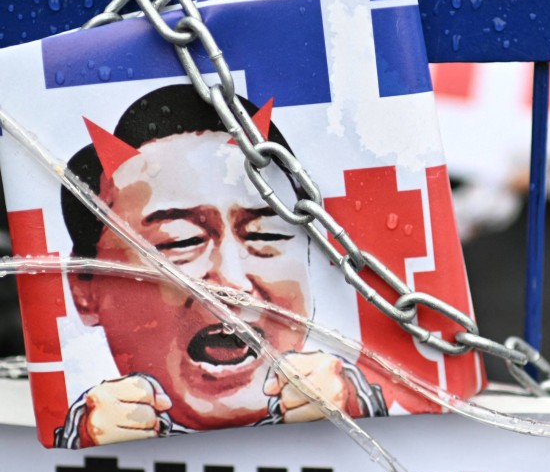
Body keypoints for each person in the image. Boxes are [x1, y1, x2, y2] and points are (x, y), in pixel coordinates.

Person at [54, 84, 386, 448]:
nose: (231, 279)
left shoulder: (378, 407)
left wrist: (361, 404)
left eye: (266, 236)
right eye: (181, 240)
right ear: (85, 288)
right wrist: (81, 439)